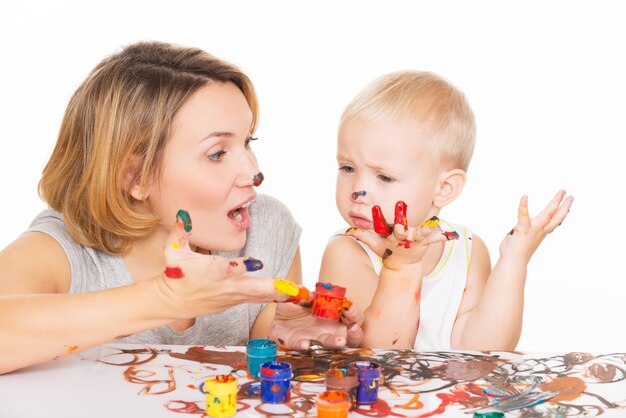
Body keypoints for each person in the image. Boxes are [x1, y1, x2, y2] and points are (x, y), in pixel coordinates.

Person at [0, 41, 362, 374]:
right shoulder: (63, 248)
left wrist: (290, 337)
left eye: (248, 141)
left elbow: (263, 361)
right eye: (217, 153)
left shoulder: (267, 227)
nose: (253, 172)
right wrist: (165, 298)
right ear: (135, 177)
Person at [318, 71, 572, 350]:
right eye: (347, 168)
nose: (358, 190)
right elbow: (379, 353)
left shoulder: (467, 250)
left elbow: (484, 350)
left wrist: (513, 261)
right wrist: (401, 265)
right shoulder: (346, 250)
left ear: (444, 188)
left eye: (384, 177)